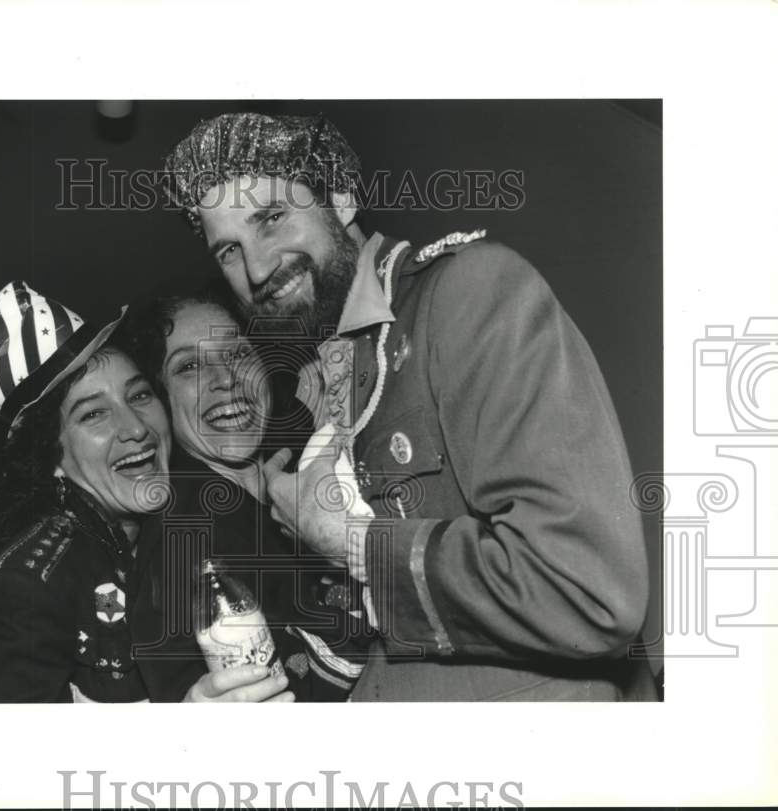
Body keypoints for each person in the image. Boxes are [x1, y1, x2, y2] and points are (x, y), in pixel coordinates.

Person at [162, 112, 656, 700]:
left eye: (272, 218)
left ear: (340, 197)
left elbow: (586, 589)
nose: (258, 268)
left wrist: (348, 541)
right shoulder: (337, 364)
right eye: (229, 252)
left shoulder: (468, 291)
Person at [0, 280, 292, 703]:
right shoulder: (19, 593)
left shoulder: (156, 541)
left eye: (139, 395)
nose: (137, 428)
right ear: (49, 452)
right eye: (94, 414)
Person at [121, 285, 371, 701]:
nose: (225, 380)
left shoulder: (308, 466)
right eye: (189, 367)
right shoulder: (181, 542)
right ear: (160, 398)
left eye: (237, 354)